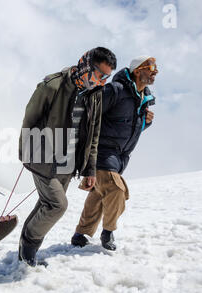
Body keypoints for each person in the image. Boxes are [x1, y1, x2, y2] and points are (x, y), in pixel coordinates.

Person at [18, 47, 117, 267]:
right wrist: (29, 155)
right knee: (57, 205)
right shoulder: (52, 85)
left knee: (47, 204)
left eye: (106, 77)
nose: (102, 82)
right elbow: (30, 120)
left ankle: (25, 254)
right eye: (99, 75)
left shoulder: (96, 93)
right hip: (43, 157)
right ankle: (28, 246)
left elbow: (94, 133)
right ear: (85, 66)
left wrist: (89, 169)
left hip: (69, 161)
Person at [71, 55, 158, 251]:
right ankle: (108, 232)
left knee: (99, 193)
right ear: (137, 70)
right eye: (150, 68)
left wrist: (145, 123)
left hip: (121, 156)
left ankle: (81, 234)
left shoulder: (143, 100)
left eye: (156, 69)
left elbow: (125, 128)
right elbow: (90, 112)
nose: (155, 72)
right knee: (116, 189)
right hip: (102, 151)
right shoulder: (116, 90)